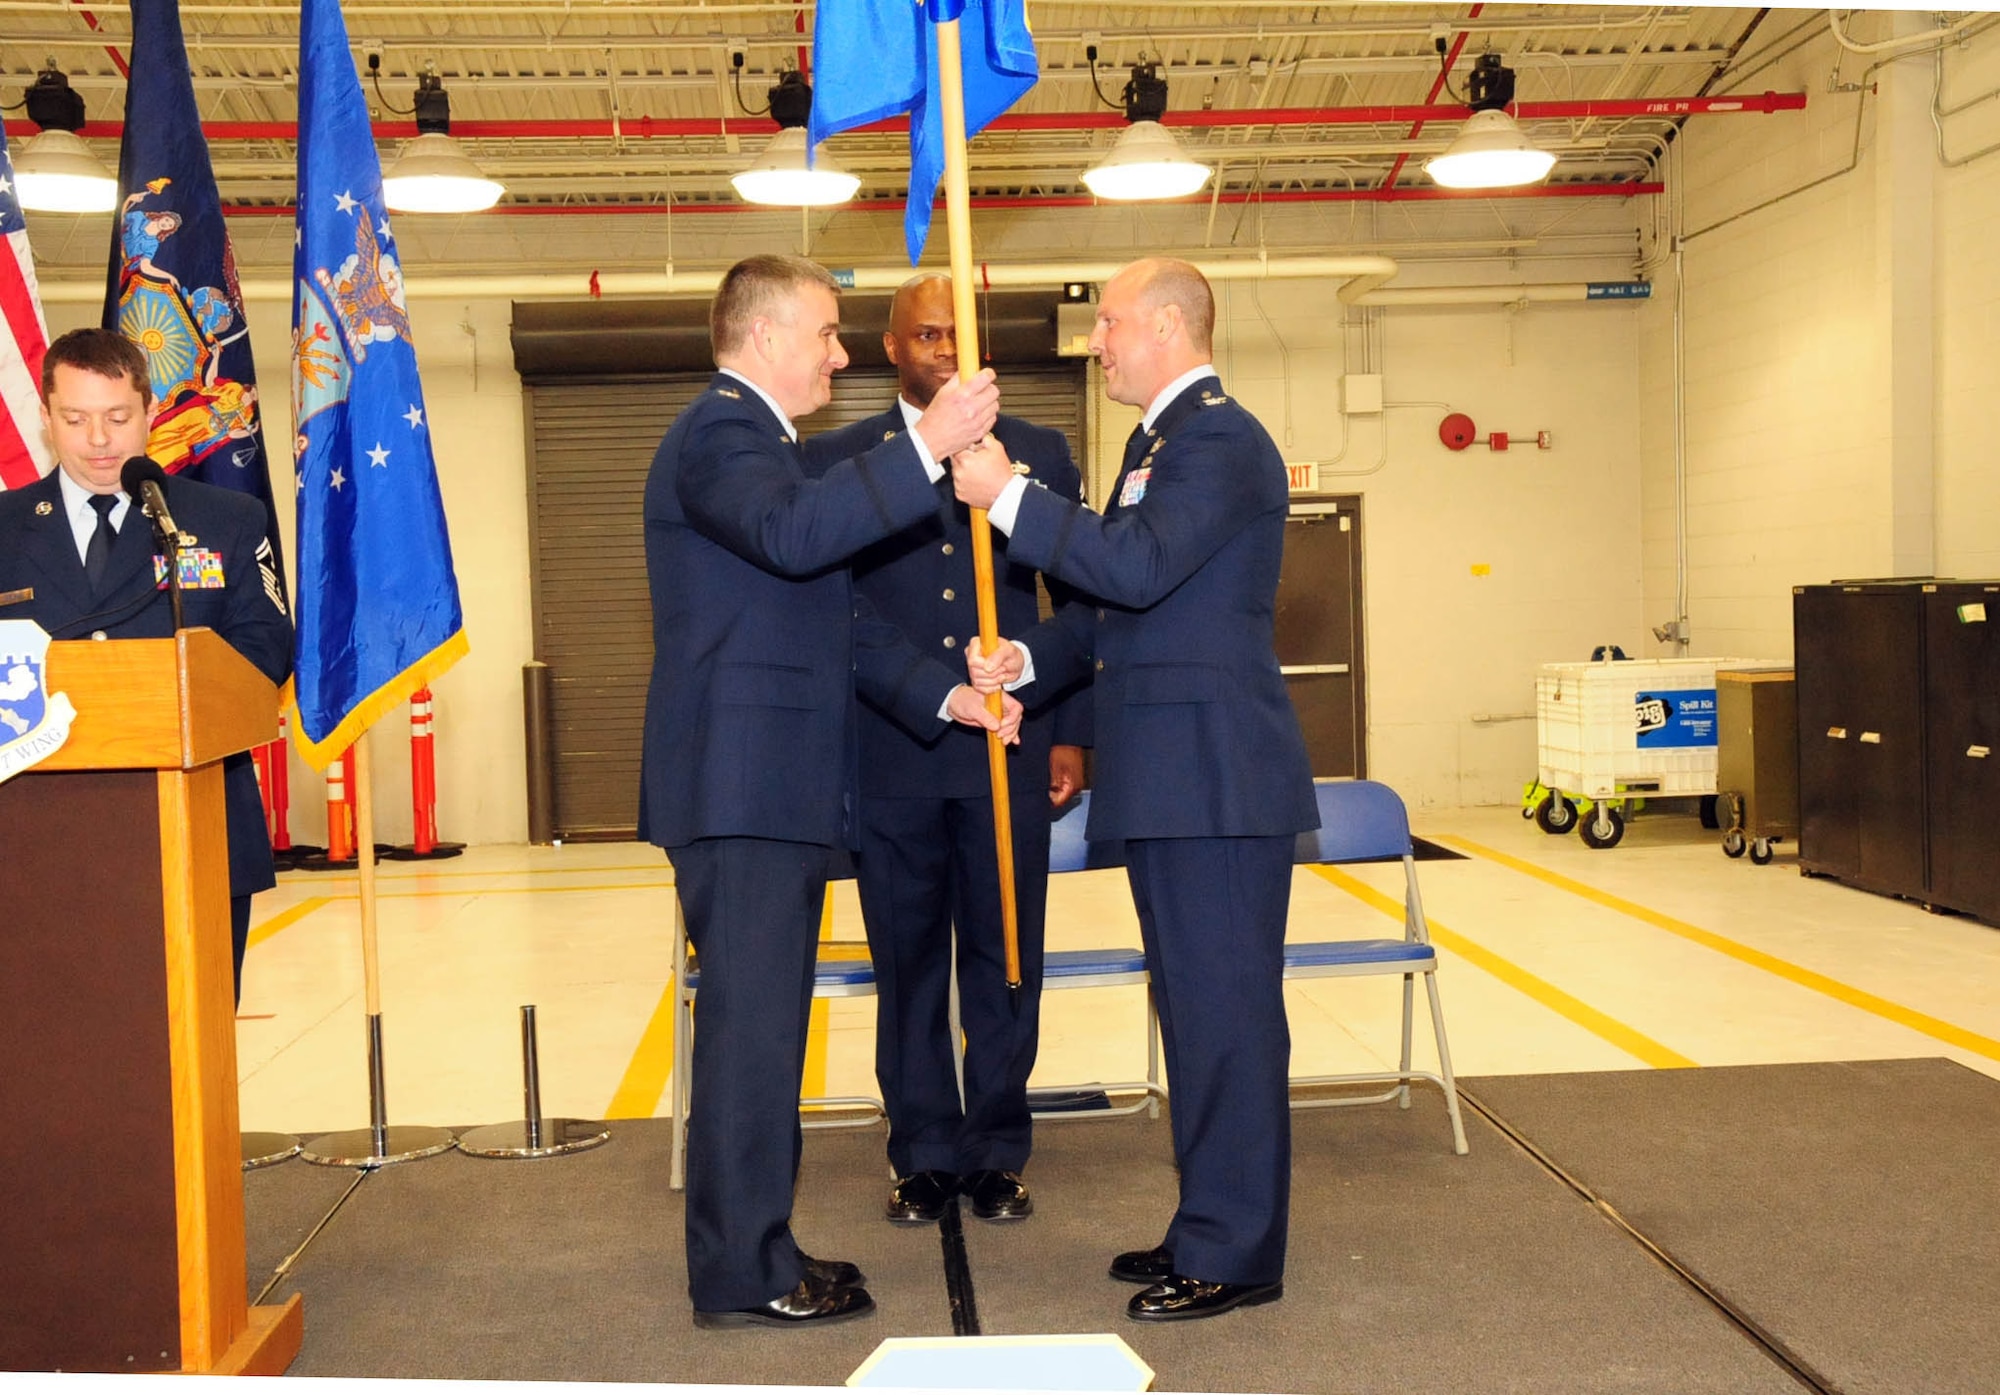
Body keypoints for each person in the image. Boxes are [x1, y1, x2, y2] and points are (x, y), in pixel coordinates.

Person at [638, 255, 1020, 1329]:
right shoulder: (718, 433)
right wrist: (924, 443)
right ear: (763, 338)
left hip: (774, 793)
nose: (841, 354)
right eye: (825, 333)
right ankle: (743, 1273)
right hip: (743, 792)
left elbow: (832, 616)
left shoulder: (764, 445)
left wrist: (943, 696)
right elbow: (794, 538)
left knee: (764, 1039)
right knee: (751, 1043)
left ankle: (762, 1245)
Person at [953, 257, 1318, 1323]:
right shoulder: (1156, 443)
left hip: (1214, 782)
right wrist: (1027, 665)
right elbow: (1120, 609)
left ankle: (1235, 1251)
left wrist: (1009, 494)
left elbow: (1141, 563)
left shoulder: (1221, 439)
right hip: (1173, 782)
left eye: (1107, 322)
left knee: (1226, 1019)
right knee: (1195, 1014)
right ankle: (1208, 1218)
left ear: (1164, 326)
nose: (1094, 340)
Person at [802, 274, 1090, 1228]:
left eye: (960, 337)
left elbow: (1083, 602)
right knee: (912, 961)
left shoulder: (1039, 453)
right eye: (927, 336)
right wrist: (932, 688)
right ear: (891, 345)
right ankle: (924, 1150)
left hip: (1011, 746)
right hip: (897, 747)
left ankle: (998, 1147)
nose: (945, 353)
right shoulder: (840, 460)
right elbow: (832, 610)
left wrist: (1064, 720)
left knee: (1008, 961)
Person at [0, 327, 293, 1006]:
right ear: (45, 418)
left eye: (117, 417)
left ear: (152, 409)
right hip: (37, 837)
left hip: (198, 826)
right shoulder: (6, 529)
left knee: (196, 1037)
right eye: (75, 419)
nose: (98, 439)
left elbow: (265, 649)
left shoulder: (224, 520)